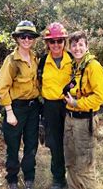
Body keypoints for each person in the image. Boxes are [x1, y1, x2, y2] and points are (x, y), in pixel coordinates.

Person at [0, 20, 41, 189]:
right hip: (16, 107)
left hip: (33, 107)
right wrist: (9, 111)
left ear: (34, 39)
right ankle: (12, 178)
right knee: (13, 144)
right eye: (23, 36)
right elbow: (2, 87)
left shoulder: (35, 58)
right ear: (17, 38)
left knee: (31, 143)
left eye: (30, 36)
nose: (27, 39)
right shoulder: (11, 60)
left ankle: (29, 175)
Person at [64, 31, 103, 189]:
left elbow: (100, 97)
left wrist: (77, 103)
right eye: (74, 45)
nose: (77, 48)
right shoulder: (74, 66)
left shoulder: (93, 67)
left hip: (85, 120)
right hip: (69, 119)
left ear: (87, 46)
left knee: (85, 165)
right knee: (70, 160)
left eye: (80, 44)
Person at [40, 22, 72, 189]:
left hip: (70, 105)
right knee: (55, 143)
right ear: (47, 43)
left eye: (60, 41)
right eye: (52, 41)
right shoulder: (42, 61)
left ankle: (76, 178)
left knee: (72, 142)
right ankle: (59, 179)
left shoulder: (73, 59)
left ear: (64, 42)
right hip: (50, 107)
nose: (56, 45)